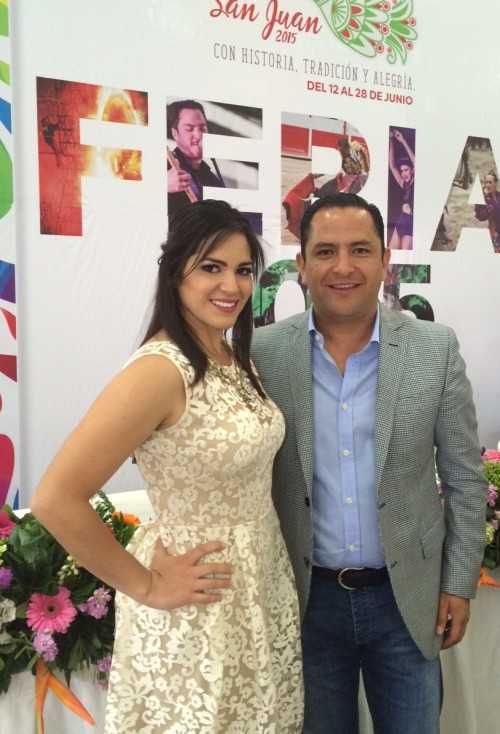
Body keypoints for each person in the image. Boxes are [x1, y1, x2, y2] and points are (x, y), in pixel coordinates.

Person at [31, 200, 303, 733]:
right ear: (176, 271)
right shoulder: (159, 370)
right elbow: (54, 499)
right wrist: (148, 586)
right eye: (211, 267)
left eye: (242, 270)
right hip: (198, 602)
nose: (231, 285)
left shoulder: (232, 357)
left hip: (257, 586)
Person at [251, 193, 487, 734]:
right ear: (302, 265)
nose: (343, 267)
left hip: (407, 602)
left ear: (385, 260)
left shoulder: (434, 349)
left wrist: (458, 583)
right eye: (325, 251)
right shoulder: (263, 353)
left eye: (360, 250)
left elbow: (464, 479)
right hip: (306, 603)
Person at [167, 100, 225, 220]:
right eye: (189, 129)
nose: (199, 135)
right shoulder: (164, 170)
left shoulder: (213, 179)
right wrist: (162, 187)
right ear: (175, 133)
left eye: (202, 128)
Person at [388, 129, 415, 250]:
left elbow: (415, 162)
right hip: (401, 220)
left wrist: (402, 141)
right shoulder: (403, 183)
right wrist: (391, 142)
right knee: (390, 253)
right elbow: (392, 166)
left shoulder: (416, 182)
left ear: (412, 170)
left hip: (410, 223)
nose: (403, 173)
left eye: (406, 170)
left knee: (405, 256)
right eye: (402, 171)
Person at [474, 170, 500, 253]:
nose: (487, 185)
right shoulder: (483, 199)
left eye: (490, 182)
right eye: (486, 182)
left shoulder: (499, 195)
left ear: (495, 183)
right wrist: (489, 208)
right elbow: (479, 216)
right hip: (495, 232)